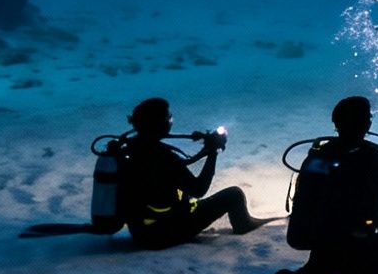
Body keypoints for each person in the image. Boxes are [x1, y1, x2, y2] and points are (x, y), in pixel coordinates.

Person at [286, 96, 378, 274]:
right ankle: (365, 265)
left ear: (336, 124)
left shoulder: (315, 158)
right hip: (365, 249)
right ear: (366, 125)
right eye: (368, 118)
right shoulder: (375, 161)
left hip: (323, 248)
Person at [115, 97, 271, 250]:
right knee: (234, 195)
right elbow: (198, 190)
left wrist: (205, 149)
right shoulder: (163, 156)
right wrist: (212, 153)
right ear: (159, 124)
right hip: (163, 234)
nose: (170, 121)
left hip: (139, 232)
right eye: (168, 118)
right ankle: (245, 225)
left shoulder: (129, 149)